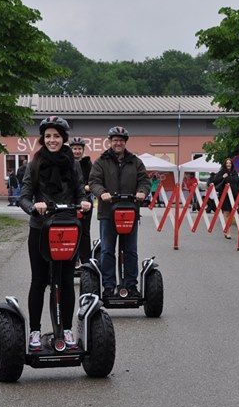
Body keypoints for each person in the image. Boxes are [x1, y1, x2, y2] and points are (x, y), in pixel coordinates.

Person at [18, 116, 92, 350]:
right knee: (39, 281)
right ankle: (36, 332)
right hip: (40, 229)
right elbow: (24, 196)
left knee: (66, 281)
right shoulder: (35, 163)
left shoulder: (73, 164)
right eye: (48, 136)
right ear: (43, 138)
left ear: (64, 139)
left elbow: (80, 190)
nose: (52, 140)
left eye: (56, 136)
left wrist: (84, 202)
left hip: (67, 227)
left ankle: (67, 330)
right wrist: (34, 207)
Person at [88, 125, 150, 297]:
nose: (118, 143)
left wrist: (142, 192)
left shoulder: (135, 161)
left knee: (130, 250)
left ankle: (131, 286)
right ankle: (108, 287)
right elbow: (93, 181)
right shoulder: (101, 161)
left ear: (125, 142)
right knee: (107, 249)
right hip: (108, 213)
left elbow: (145, 180)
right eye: (115, 140)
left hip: (130, 211)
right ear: (110, 141)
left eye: (121, 140)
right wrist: (102, 193)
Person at [69, 137, 94, 265]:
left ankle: (85, 261)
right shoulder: (67, 162)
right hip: (70, 201)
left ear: (83, 150)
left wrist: (87, 187)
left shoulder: (87, 163)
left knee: (84, 232)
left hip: (85, 201)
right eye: (74, 149)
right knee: (71, 230)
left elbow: (93, 180)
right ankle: (72, 259)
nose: (77, 151)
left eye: (79, 149)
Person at [212, 157, 239, 238]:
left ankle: (226, 229)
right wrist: (223, 177)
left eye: (230, 163)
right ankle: (227, 232)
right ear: (225, 164)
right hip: (225, 196)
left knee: (232, 214)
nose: (228, 164)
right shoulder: (222, 172)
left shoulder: (235, 173)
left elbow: (238, 184)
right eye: (227, 163)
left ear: (232, 164)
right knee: (226, 213)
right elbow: (215, 181)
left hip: (234, 196)